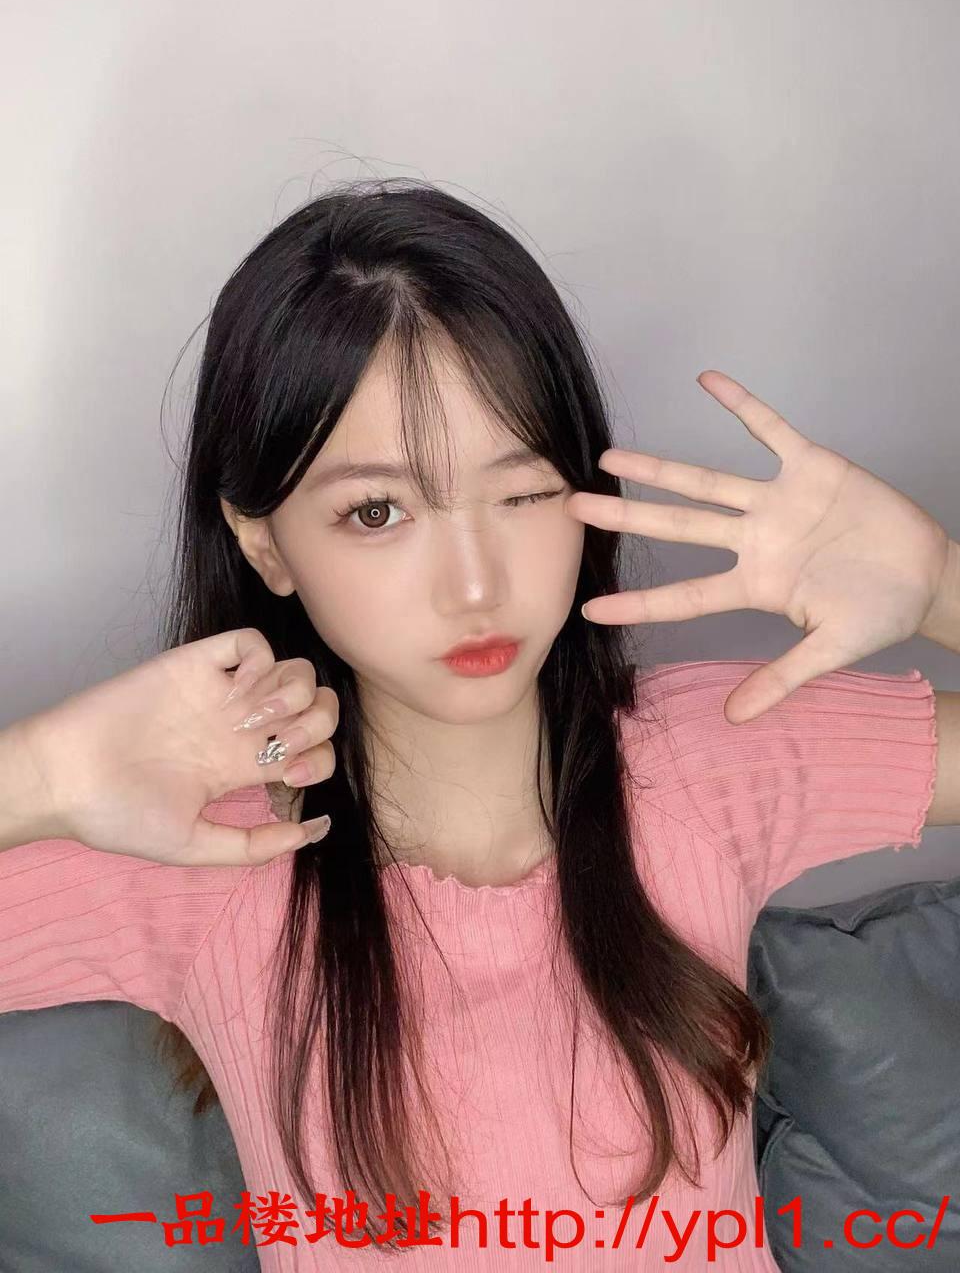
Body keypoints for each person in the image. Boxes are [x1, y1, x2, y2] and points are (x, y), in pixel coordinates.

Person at [0, 178, 956, 1271]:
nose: (474, 586)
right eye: (378, 511)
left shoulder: (715, 757)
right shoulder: (205, 853)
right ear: (265, 544)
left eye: (524, 491)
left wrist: (937, 584)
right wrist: (41, 772)